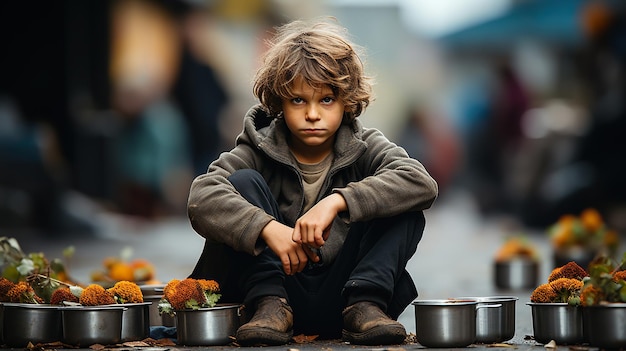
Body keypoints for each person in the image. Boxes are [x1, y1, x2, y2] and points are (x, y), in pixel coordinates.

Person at [187, 18, 438, 346]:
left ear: (347, 101)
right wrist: (267, 228)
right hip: (273, 298)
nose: (313, 114)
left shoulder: (364, 145)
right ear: (279, 102)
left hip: (348, 296)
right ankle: (268, 303)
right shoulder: (259, 146)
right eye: (298, 100)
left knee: (404, 203)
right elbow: (201, 196)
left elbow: (421, 182)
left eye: (326, 100)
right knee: (243, 181)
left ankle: (366, 305)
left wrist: (338, 202)